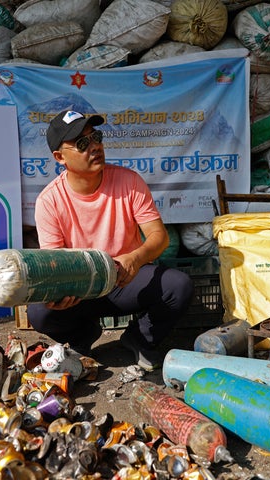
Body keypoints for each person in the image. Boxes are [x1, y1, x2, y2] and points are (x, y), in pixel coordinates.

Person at [26, 110, 194, 370]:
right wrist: (58, 292)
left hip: (125, 279)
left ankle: (139, 338)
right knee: (39, 312)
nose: (94, 147)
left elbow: (158, 237)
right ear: (59, 157)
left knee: (179, 286)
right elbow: (55, 262)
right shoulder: (49, 201)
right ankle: (83, 336)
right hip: (81, 290)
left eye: (96, 137)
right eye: (82, 143)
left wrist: (136, 258)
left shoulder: (129, 181)